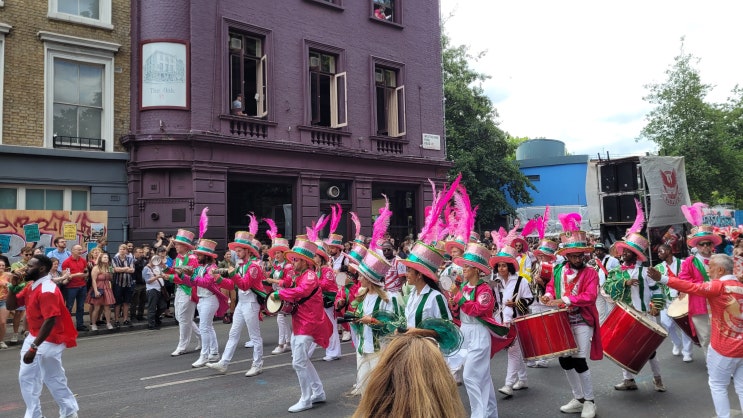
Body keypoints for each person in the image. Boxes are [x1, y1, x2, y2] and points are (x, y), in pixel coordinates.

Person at [660, 254, 743, 418]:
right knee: (741, 385)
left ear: (720, 269)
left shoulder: (718, 286)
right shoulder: (739, 285)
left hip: (723, 348)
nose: (708, 270)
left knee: (717, 384)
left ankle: (723, 416)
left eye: (711, 267)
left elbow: (690, 287)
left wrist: (663, 278)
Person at [6, 254, 79, 418]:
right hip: (35, 335)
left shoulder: (47, 290)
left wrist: (34, 347)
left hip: (51, 338)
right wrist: (12, 286)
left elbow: (50, 320)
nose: (26, 268)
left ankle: (68, 412)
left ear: (42, 269)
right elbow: (11, 305)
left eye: (30, 265)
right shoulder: (32, 285)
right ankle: (37, 415)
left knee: (52, 377)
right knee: (28, 377)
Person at [541, 227, 602, 418]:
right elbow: (551, 286)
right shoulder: (558, 270)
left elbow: (590, 296)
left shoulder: (591, 272)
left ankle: (590, 401)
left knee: (579, 360)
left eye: (580, 256)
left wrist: (565, 300)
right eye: (573, 256)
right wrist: (548, 295)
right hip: (562, 320)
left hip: (582, 320)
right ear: (567, 256)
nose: (577, 259)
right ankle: (578, 398)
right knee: (564, 360)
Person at [269, 236, 333, 413]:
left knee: (298, 362)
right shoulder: (301, 275)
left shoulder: (310, 276)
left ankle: (306, 399)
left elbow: (301, 291)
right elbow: (291, 285)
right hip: (301, 322)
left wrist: (280, 294)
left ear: (305, 262)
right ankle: (318, 392)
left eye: (296, 259)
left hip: (310, 323)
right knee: (301, 360)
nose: (293, 262)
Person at [603, 232, 666, 392]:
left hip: (644, 316)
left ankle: (657, 378)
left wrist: (656, 305)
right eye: (623, 251)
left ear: (635, 255)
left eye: (627, 251)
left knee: (649, 351)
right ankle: (628, 380)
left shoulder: (646, 272)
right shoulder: (616, 271)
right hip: (623, 315)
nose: (624, 253)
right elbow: (608, 287)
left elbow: (657, 290)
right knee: (624, 349)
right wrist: (625, 282)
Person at [351, 333, 466, 418]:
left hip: (415, 348)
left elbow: (444, 328)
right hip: (413, 347)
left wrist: (418, 331)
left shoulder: (434, 298)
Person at [450, 242, 499, 418]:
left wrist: (460, 300)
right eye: (463, 266)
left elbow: (480, 309)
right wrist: (454, 303)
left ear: (476, 270)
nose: (463, 269)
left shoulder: (485, 289)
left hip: (479, 333)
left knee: (470, 376)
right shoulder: (463, 288)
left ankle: (479, 415)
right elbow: (459, 311)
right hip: (465, 332)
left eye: (467, 266)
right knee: (483, 377)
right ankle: (491, 413)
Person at [207, 231, 265, 377]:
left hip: (251, 302)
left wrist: (232, 274)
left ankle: (257, 364)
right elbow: (232, 285)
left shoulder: (254, 267)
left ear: (248, 251)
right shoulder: (240, 267)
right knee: (233, 333)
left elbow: (244, 285)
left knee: (255, 336)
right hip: (242, 303)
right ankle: (224, 363)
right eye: (236, 251)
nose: (237, 253)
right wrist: (218, 279)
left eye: (239, 251)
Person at [352, 249, 403, 395]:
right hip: (363, 348)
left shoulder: (389, 298)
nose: (359, 278)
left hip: (380, 350)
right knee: (364, 389)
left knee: (379, 391)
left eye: (361, 275)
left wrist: (374, 321)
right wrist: (355, 319)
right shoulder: (362, 295)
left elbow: (397, 326)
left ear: (369, 278)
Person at [490, 245, 533, 398]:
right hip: (503, 322)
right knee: (513, 351)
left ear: (510, 267)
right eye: (499, 266)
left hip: (517, 321)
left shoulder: (521, 281)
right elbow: (495, 302)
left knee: (513, 352)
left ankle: (508, 384)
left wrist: (516, 304)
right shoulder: (496, 282)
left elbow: (530, 299)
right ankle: (523, 379)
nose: (501, 269)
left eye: (504, 266)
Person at [188, 239, 231, 368]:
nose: (197, 257)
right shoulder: (202, 267)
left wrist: (191, 276)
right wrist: (181, 275)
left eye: (199, 255)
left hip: (209, 300)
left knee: (204, 327)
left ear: (206, 256)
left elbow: (206, 282)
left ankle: (204, 356)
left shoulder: (213, 268)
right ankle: (214, 352)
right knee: (208, 327)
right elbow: (192, 281)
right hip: (203, 300)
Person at [678, 224, 720, 354]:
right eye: (702, 244)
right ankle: (713, 370)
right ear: (697, 246)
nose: (706, 246)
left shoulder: (720, 260)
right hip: (700, 306)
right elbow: (683, 281)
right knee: (706, 338)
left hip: (719, 305)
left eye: (708, 243)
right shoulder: (689, 262)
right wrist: (705, 283)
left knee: (721, 337)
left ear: (713, 245)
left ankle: (723, 367)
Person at [163, 229, 201, 356]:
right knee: (181, 317)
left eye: (177, 244)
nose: (175, 246)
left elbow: (188, 277)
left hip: (189, 290)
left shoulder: (192, 259)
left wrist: (171, 277)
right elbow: (174, 271)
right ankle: (202, 337)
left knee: (184, 318)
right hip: (179, 289)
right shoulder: (178, 258)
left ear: (185, 246)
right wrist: (165, 269)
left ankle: (182, 346)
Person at [654, 244, 694, 362]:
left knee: (684, 327)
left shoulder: (683, 264)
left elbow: (691, 280)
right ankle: (676, 342)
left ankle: (687, 352)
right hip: (667, 301)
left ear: (668, 251)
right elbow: (657, 287)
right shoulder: (658, 268)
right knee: (666, 323)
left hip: (682, 301)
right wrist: (656, 303)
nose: (658, 254)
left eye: (660, 251)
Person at [264, 235, 294, 354]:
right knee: (282, 319)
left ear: (284, 253)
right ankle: (288, 342)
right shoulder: (277, 266)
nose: (276, 255)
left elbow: (288, 282)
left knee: (280, 319)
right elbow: (273, 277)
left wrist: (273, 281)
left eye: (278, 253)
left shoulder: (288, 266)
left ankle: (282, 344)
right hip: (278, 294)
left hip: (286, 294)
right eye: (275, 253)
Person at [314, 241, 342, 361]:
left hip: (329, 301)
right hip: (320, 301)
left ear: (320, 258)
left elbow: (326, 284)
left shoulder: (327, 270)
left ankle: (334, 352)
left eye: (315, 256)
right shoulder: (317, 270)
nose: (313, 258)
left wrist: (312, 282)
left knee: (331, 326)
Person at [60, 244, 88, 331]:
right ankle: (67, 326)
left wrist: (84, 275)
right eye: (78, 250)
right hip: (71, 287)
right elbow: (65, 276)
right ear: (72, 251)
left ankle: (80, 324)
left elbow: (86, 272)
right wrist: (76, 275)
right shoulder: (66, 262)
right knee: (69, 307)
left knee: (81, 306)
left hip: (82, 286)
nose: (80, 251)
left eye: (81, 249)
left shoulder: (83, 261)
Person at [87, 253, 115, 331]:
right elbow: (93, 280)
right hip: (99, 287)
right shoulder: (96, 268)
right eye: (104, 257)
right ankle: (93, 324)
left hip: (107, 288)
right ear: (100, 259)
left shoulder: (109, 267)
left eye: (107, 257)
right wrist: (95, 291)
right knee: (97, 307)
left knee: (107, 307)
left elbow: (111, 278)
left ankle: (108, 323)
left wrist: (111, 272)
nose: (106, 258)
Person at [593, 242, 620, 324]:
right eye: (596, 250)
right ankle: (602, 329)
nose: (598, 252)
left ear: (604, 250)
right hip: (598, 290)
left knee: (611, 311)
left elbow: (618, 274)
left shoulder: (613, 260)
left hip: (609, 289)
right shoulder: (595, 262)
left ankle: (613, 328)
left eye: (600, 250)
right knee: (600, 312)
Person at [111, 244, 135, 328]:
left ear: (126, 251)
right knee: (117, 303)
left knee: (126, 302)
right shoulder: (114, 259)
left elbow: (132, 270)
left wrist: (121, 269)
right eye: (121, 249)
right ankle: (116, 320)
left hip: (128, 283)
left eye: (124, 249)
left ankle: (125, 319)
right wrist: (126, 268)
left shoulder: (130, 259)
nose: (122, 250)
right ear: (118, 250)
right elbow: (115, 269)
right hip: (118, 283)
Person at [143, 255, 167, 330]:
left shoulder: (157, 267)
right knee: (152, 307)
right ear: (150, 260)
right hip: (152, 289)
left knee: (163, 306)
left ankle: (156, 318)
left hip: (160, 289)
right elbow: (148, 281)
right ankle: (151, 324)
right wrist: (157, 277)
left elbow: (163, 273)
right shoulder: (146, 268)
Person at [0, 261, 10, 349]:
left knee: (3, 322)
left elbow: (13, 286)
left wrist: (8, 286)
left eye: (3, 265)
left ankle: (1, 341)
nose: (1, 267)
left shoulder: (8, 275)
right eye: (0, 265)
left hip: (4, 300)